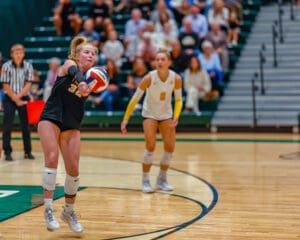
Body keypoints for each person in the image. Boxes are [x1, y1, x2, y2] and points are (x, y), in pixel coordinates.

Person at [37, 36, 98, 233]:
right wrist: (81, 83)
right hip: (51, 117)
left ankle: (68, 212)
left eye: (93, 53)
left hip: (72, 123)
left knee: (73, 170)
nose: (90, 55)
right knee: (52, 159)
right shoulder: (69, 64)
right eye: (87, 52)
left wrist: (91, 83)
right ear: (77, 55)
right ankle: (48, 210)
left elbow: (98, 84)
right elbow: (74, 72)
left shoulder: (93, 77)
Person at [121, 48, 183, 193]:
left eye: (163, 59)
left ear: (169, 62)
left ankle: (161, 180)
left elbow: (179, 100)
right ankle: (145, 181)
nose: (159, 62)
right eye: (157, 60)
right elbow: (135, 98)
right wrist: (125, 119)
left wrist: (176, 116)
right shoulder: (149, 77)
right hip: (149, 114)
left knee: (170, 148)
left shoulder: (176, 78)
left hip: (166, 115)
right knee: (151, 147)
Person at [0, 44, 35, 161]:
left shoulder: (28, 66)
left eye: (20, 52)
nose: (18, 54)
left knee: (25, 126)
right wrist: (15, 98)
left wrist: (19, 97)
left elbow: (29, 83)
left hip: (23, 98)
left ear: (24, 54)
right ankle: (7, 152)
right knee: (7, 126)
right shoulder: (6, 66)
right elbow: (4, 84)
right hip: (9, 98)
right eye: (16, 52)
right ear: (11, 54)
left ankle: (28, 151)